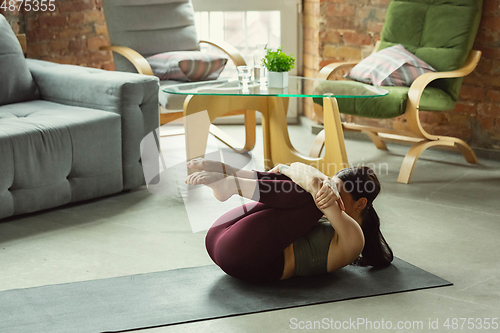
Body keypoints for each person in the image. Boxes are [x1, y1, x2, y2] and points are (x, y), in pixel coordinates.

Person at [185, 159, 393, 283]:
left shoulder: (355, 239)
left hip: (243, 258)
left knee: (313, 196)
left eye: (337, 191)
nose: (331, 193)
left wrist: (288, 168)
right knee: (306, 188)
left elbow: (314, 183)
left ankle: (234, 180)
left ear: (360, 203)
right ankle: (232, 177)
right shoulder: (325, 214)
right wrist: (291, 171)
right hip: (218, 237)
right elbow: (312, 180)